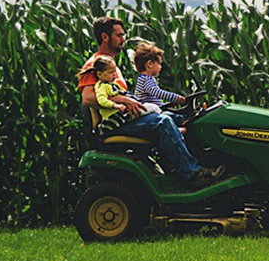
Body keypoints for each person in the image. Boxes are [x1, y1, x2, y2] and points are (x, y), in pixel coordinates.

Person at [78, 16, 225, 188]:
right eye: (119, 35)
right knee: (162, 122)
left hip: (127, 118)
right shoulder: (96, 65)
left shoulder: (111, 66)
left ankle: (198, 163)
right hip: (114, 124)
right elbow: (87, 98)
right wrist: (124, 100)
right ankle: (192, 173)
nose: (123, 39)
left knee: (186, 118)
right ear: (105, 37)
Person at [133, 42, 187, 130]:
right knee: (178, 118)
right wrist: (175, 98)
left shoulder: (147, 79)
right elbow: (158, 93)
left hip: (155, 111)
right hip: (150, 113)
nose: (160, 67)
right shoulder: (145, 79)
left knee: (173, 114)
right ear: (149, 64)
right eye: (159, 64)